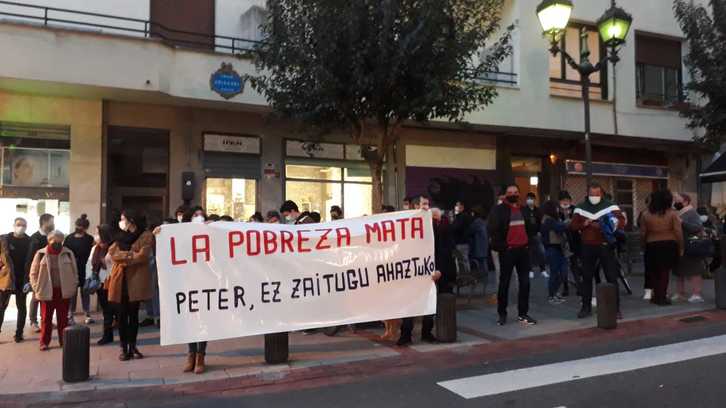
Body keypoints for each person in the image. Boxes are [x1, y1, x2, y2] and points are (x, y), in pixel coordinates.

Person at [570, 183, 626, 319]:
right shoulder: (580, 208)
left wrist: (608, 223)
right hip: (587, 246)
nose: (594, 197)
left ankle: (615, 309)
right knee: (587, 278)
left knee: (611, 277)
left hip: (605, 245)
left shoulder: (610, 206)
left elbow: (622, 221)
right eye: (592, 194)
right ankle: (586, 307)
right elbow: (572, 226)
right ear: (587, 194)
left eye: (597, 194)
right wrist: (584, 224)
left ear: (601, 194)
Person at [397, 196, 443, 346]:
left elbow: (441, 248)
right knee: (409, 305)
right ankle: (405, 334)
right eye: (424, 204)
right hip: (411, 271)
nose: (426, 207)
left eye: (428, 204)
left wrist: (438, 269)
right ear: (415, 206)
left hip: (429, 271)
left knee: (428, 304)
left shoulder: (434, 224)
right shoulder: (405, 224)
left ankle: (427, 333)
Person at [487, 184, 537, 326]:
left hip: (523, 250)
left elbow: (531, 227)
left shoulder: (524, 209)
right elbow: (492, 230)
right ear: (505, 194)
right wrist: (503, 246)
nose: (513, 194)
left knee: (525, 283)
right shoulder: (498, 210)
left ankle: (523, 313)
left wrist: (529, 243)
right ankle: (502, 314)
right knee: (504, 283)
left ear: (519, 194)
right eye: (510, 192)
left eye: (515, 192)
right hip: (508, 251)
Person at [107, 209, 153, 361]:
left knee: (134, 316)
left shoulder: (146, 235)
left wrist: (124, 257)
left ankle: (132, 346)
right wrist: (130, 256)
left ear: (131, 220)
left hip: (135, 281)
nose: (121, 222)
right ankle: (123, 347)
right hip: (120, 280)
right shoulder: (119, 236)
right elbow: (113, 253)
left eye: (123, 219)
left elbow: (143, 256)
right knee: (121, 316)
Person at [29, 230, 78, 350]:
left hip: (63, 291)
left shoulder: (68, 253)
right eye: (55, 240)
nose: (57, 243)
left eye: (60, 240)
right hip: (46, 291)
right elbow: (33, 273)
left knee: (63, 319)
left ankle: (64, 341)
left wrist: (73, 286)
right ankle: (44, 342)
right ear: (49, 240)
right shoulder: (41, 254)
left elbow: (74, 272)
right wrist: (37, 288)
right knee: (46, 319)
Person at [639, 190, 682, 306]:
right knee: (664, 272)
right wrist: (681, 247)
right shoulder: (672, 214)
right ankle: (662, 296)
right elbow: (678, 232)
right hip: (669, 243)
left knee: (654, 271)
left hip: (652, 244)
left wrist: (643, 245)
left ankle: (656, 295)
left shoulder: (646, 214)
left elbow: (643, 233)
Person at [672, 193, 706, 303]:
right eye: (675, 200)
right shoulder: (678, 213)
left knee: (694, 270)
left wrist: (682, 222)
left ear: (685, 201)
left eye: (677, 200)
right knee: (679, 271)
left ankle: (696, 294)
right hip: (680, 246)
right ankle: (680, 293)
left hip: (691, 246)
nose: (675, 202)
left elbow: (697, 227)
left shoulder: (691, 213)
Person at [26, 213, 55, 333]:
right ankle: (33, 321)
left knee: (48, 297)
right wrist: (30, 276)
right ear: (44, 223)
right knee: (36, 297)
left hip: (50, 271)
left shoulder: (52, 237)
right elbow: (30, 259)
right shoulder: (35, 238)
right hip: (38, 273)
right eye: (51, 221)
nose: (53, 224)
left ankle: (45, 319)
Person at [64, 214, 95, 325]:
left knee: (85, 291)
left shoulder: (89, 239)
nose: (80, 228)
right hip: (72, 269)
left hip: (85, 268)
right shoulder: (68, 238)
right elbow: (65, 254)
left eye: (81, 226)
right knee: (72, 293)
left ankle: (87, 314)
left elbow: (92, 254)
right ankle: (70, 315)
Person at [5, 217, 31, 342]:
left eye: (23, 225)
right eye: (18, 224)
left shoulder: (30, 241)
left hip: (22, 279)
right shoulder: (5, 239)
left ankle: (19, 334)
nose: (21, 227)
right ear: (13, 225)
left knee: (21, 307)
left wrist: (29, 280)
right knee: (1, 307)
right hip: (7, 279)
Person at [90, 225, 116, 345]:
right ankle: (107, 335)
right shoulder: (95, 248)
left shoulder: (114, 247)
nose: (96, 236)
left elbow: (115, 266)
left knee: (113, 310)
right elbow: (89, 263)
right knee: (106, 311)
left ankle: (115, 333)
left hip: (111, 282)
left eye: (98, 233)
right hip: (100, 283)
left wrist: (104, 263)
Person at [540, 201, 568, 304]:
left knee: (562, 272)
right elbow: (559, 227)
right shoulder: (548, 220)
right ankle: (551, 295)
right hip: (552, 249)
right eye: (556, 208)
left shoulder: (550, 219)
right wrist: (567, 222)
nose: (557, 209)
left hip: (558, 248)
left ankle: (555, 293)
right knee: (555, 273)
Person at [558, 190, 579, 297]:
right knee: (564, 266)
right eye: (563, 200)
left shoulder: (575, 210)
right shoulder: (556, 211)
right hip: (561, 242)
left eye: (567, 200)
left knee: (575, 265)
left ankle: (579, 286)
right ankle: (565, 287)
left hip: (574, 241)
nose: (565, 202)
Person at [522, 192, 546, 279]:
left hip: (536, 234)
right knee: (529, 254)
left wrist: (540, 231)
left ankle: (543, 270)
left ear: (534, 200)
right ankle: (530, 270)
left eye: (531, 199)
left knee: (541, 252)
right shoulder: (523, 210)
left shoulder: (538, 210)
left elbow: (541, 222)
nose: (529, 200)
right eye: (528, 199)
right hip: (526, 235)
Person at [468, 205, 489, 296]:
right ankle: (485, 278)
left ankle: (483, 278)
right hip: (484, 245)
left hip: (479, 246)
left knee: (481, 263)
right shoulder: (484, 222)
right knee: (483, 262)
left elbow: (470, 231)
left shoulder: (476, 222)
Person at [0, 232, 15, 341]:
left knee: (2, 309)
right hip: (2, 285)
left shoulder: (8, 255)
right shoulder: (3, 255)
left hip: (7, 286)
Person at [452, 200, 473, 270]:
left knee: (463, 260)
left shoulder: (463, 217)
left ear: (462, 207)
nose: (456, 207)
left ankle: (466, 277)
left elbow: (457, 227)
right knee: (461, 260)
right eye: (456, 206)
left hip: (462, 242)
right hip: (461, 242)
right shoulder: (459, 217)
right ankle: (464, 276)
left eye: (458, 206)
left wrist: (451, 225)